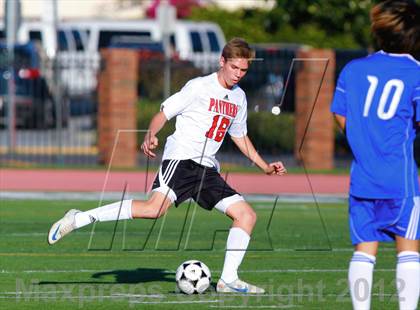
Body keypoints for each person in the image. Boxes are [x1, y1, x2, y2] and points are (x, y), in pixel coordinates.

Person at [47, 38, 287, 294]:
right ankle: (79, 218)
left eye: (243, 70)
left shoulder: (239, 98)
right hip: (181, 159)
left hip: (207, 168)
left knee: (246, 215)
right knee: (153, 209)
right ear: (222, 62)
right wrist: (150, 134)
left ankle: (228, 280)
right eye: (234, 68)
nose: (238, 74)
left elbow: (239, 136)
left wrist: (263, 166)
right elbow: (164, 113)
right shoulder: (198, 87)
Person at [330, 1, 420, 309]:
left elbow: (340, 115)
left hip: (363, 179)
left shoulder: (354, 69)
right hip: (401, 181)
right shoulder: (416, 73)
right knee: (408, 251)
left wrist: (363, 138)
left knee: (363, 252)